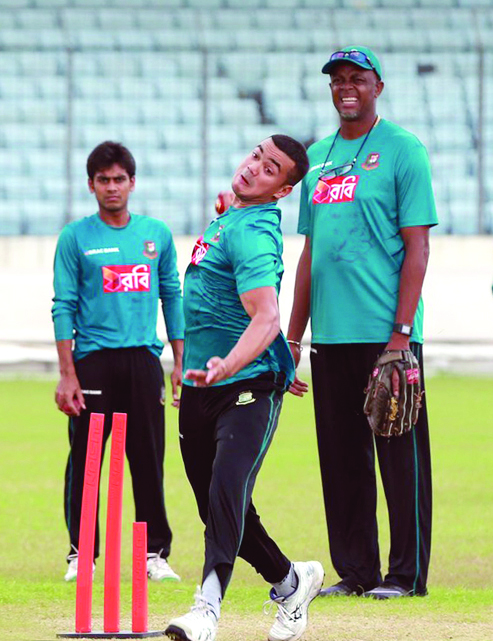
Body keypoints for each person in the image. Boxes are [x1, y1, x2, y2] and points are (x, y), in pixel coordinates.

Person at [285, 46, 437, 599]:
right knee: (342, 462)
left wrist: (402, 333)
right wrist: (293, 335)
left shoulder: (403, 151)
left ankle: (405, 575)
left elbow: (417, 248)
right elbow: (311, 253)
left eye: (357, 78)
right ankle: (356, 571)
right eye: (337, 79)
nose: (346, 86)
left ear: (377, 85)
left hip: (386, 336)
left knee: (400, 458)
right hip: (330, 336)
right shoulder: (318, 157)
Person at [165, 135, 323, 641]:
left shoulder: (254, 231)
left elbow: (266, 315)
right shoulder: (232, 216)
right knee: (215, 506)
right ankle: (292, 582)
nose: (255, 167)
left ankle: (206, 611)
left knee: (225, 491)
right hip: (202, 386)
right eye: (256, 155)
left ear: (283, 190)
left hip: (244, 387)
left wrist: (227, 364)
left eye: (270, 168)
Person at [52, 141, 183, 583]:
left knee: (148, 458)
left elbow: (172, 296)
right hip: (92, 363)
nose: (112, 187)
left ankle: (153, 554)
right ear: (91, 185)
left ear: (132, 183)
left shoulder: (156, 235)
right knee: (87, 460)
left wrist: (179, 360)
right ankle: (81, 554)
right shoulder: (75, 238)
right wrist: (67, 374)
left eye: (119, 179)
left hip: (144, 361)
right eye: (104, 180)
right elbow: (64, 306)